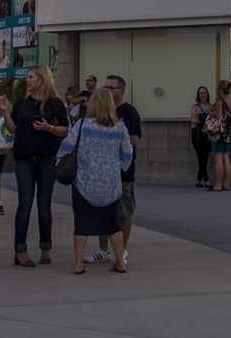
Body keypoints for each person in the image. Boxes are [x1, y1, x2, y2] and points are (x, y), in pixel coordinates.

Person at [57, 88, 135, 273]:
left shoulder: (83, 124)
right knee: (112, 224)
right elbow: (128, 153)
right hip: (111, 183)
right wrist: (120, 167)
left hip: (84, 182)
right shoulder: (119, 127)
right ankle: (120, 263)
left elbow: (66, 146)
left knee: (81, 224)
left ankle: (78, 264)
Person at [9, 65, 68, 266]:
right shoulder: (21, 103)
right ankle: (20, 250)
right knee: (25, 204)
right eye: (27, 77)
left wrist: (48, 128)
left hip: (46, 159)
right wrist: (6, 112)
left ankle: (45, 247)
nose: (27, 80)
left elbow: (66, 130)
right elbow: (13, 129)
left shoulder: (56, 104)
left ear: (42, 80)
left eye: (31, 77)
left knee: (44, 205)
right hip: (24, 159)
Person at [83, 75, 141, 263]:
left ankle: (121, 250)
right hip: (101, 172)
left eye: (111, 87)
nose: (106, 90)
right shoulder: (98, 112)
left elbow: (132, 140)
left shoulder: (129, 112)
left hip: (122, 171)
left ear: (121, 91)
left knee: (123, 212)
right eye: (104, 87)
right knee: (103, 211)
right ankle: (103, 249)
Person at [206, 82, 231, 190]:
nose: (216, 89)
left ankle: (218, 184)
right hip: (228, 132)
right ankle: (226, 183)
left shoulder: (220, 101)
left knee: (218, 158)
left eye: (217, 87)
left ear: (220, 89)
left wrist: (210, 111)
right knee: (226, 158)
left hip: (219, 132)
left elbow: (218, 115)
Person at [189, 85, 214, 188]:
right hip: (197, 134)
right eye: (201, 93)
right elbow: (193, 120)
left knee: (205, 157)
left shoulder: (211, 106)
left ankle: (198, 179)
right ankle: (206, 179)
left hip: (207, 134)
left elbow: (214, 120)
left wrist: (200, 118)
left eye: (204, 93)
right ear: (198, 95)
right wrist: (206, 118)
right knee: (200, 156)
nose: (203, 95)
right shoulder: (194, 107)